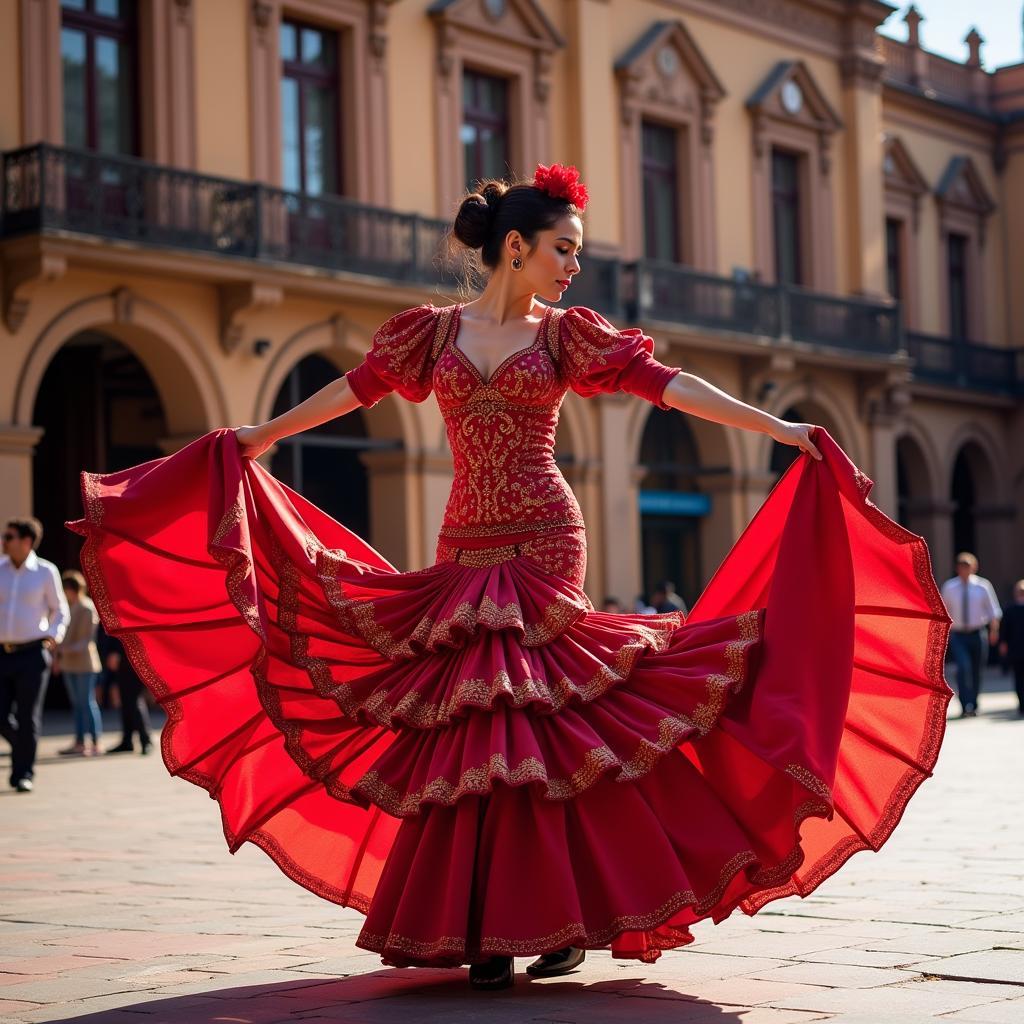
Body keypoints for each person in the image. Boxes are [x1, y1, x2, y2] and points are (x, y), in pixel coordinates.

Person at [70, 163, 952, 992]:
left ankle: (560, 922)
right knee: (467, 728)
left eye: (579, 252)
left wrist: (779, 429)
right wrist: (260, 438)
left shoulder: (568, 337)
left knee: (538, 727)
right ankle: (485, 929)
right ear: (517, 246)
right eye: (564, 248)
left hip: (544, 536)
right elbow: (355, 388)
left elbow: (668, 385)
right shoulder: (431, 333)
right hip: (465, 540)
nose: (574, 266)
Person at [0, 517, 69, 792]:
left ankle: (23, 773)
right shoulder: (0, 569)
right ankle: (23, 746)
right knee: (2, 716)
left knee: (28, 716)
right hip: (2, 653)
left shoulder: (45, 571)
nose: (4, 541)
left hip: (32, 653)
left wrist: (54, 635)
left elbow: (60, 609)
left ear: (27, 542)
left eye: (9, 536)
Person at [940, 552, 1002, 718]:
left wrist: (994, 631)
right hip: (959, 634)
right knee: (963, 667)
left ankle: (973, 703)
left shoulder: (983, 586)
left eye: (967, 567)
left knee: (976, 670)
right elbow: (944, 611)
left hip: (977, 633)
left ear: (974, 568)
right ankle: (964, 704)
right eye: (961, 567)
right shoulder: (949, 587)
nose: (964, 570)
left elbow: (993, 611)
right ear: (957, 568)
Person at [56, 570, 104, 756]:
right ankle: (79, 741)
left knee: (87, 702)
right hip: (69, 663)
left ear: (70, 589)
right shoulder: (67, 607)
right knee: (76, 704)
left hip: (85, 663)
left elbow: (85, 640)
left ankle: (95, 741)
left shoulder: (86, 607)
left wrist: (61, 650)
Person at [103, 635, 152, 756]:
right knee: (126, 699)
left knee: (133, 699)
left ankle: (146, 740)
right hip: (129, 653)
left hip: (132, 653)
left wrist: (115, 650)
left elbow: (123, 623)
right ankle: (127, 740)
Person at [998, 579, 1024, 716]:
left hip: (1017, 649)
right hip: (1016, 649)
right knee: (1019, 678)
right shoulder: (1010, 609)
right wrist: (1003, 643)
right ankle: (1021, 704)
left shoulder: (1010, 608)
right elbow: (1004, 630)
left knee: (1019, 678)